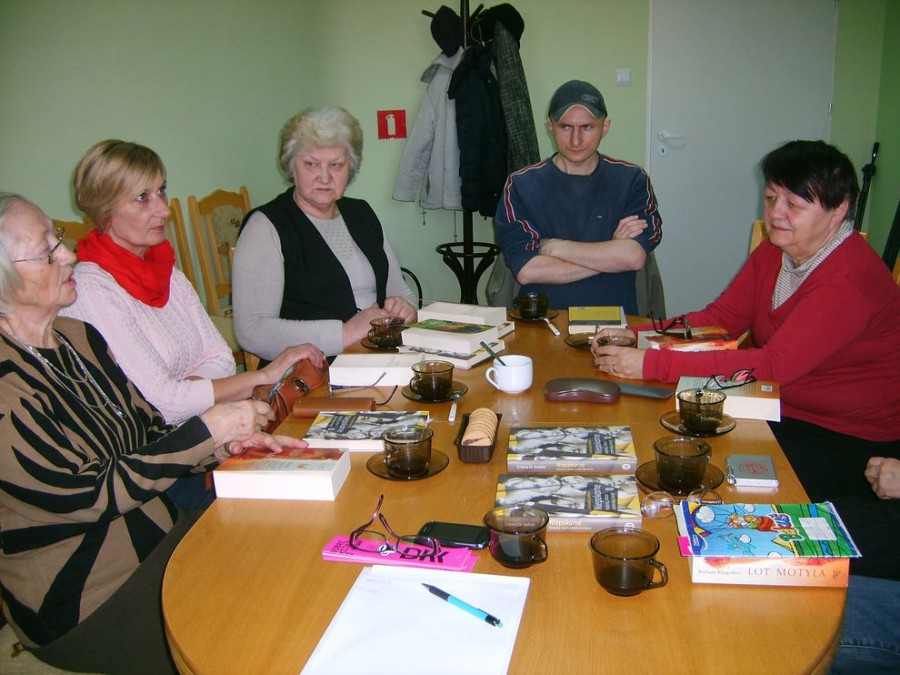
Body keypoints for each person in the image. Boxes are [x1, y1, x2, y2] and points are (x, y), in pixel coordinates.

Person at [0, 193, 303, 673]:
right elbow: (86, 496)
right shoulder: (5, 384)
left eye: (59, 240)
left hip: (163, 534)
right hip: (86, 596)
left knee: (293, 558)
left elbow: (149, 432)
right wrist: (203, 433)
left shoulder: (79, 338)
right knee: (259, 631)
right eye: (47, 250)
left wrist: (224, 445)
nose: (69, 254)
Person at [593, 140, 900, 504]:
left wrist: (651, 363)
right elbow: (719, 321)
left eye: (794, 205)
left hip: (844, 437)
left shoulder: (848, 279)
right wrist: (637, 334)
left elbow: (772, 365)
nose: (776, 213)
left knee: (700, 478)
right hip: (773, 408)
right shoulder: (776, 250)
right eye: (771, 198)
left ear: (839, 209)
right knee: (661, 444)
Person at [59, 140, 324, 426]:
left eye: (161, 190)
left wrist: (184, 393)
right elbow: (161, 407)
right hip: (155, 446)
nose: (164, 210)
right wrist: (264, 376)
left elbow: (222, 359)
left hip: (201, 425)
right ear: (104, 208)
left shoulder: (165, 269)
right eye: (142, 197)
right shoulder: (92, 290)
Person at [233, 106, 417, 360]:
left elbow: (401, 291)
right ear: (291, 167)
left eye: (336, 165)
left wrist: (406, 308)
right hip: (312, 370)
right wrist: (344, 333)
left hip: (377, 356)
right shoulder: (265, 227)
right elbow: (252, 332)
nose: (324, 177)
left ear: (351, 168)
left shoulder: (362, 213)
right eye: (311, 164)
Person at [495, 79, 662, 313]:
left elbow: (633, 257)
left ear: (605, 127)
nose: (575, 140)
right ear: (550, 126)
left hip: (617, 321)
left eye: (587, 127)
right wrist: (612, 252)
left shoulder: (632, 180)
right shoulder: (521, 185)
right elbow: (527, 271)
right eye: (565, 127)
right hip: (543, 320)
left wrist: (554, 247)